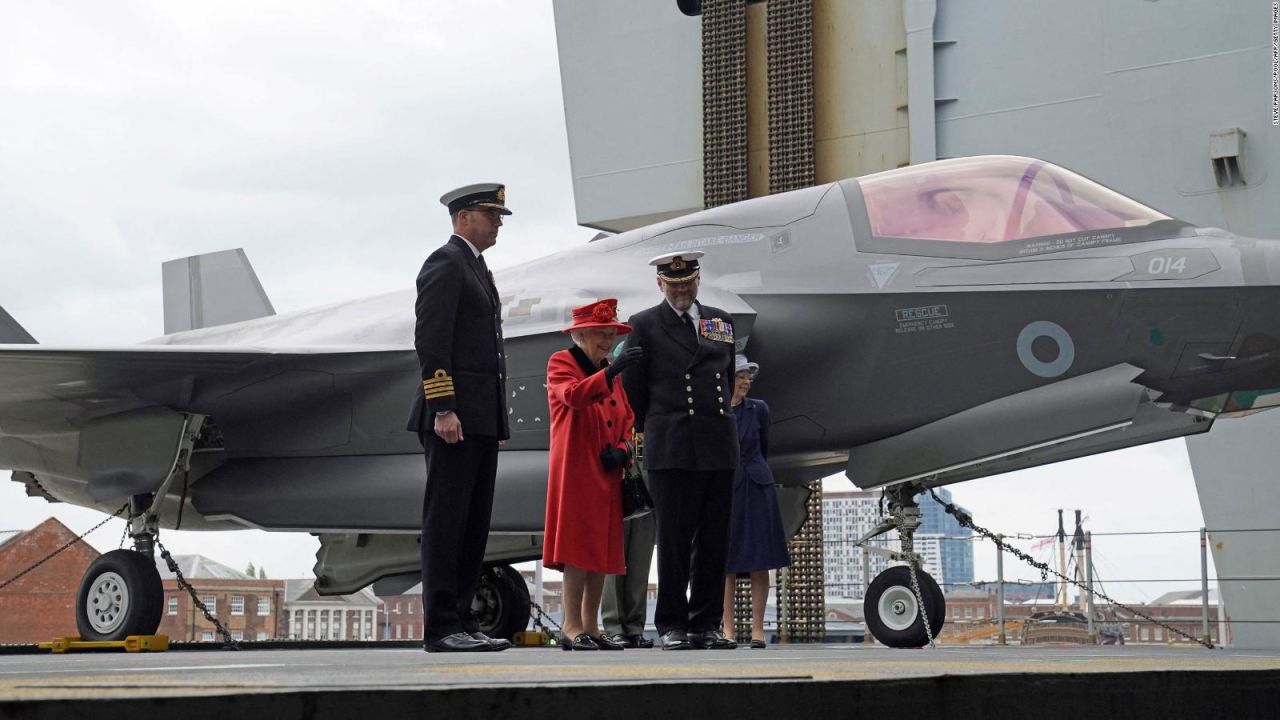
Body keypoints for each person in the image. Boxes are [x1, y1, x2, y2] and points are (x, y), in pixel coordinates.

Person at [407, 183, 513, 653]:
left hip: (479, 420)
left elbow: (488, 352)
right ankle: (441, 627)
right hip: (454, 417)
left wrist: (496, 424)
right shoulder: (445, 263)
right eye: (491, 215)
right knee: (447, 522)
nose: (498, 224)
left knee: (473, 524)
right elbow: (432, 341)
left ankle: (463, 619)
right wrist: (443, 408)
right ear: (464, 216)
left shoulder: (477, 267)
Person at [622, 250, 739, 651]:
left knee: (714, 539)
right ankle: (672, 624)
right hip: (672, 444)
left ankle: (705, 624)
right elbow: (634, 389)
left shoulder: (720, 322)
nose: (681, 290)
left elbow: (723, 376)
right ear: (660, 285)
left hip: (718, 443)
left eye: (687, 282)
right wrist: (654, 427)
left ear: (698, 280)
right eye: (673, 284)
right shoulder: (644, 325)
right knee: (673, 539)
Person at [542, 298, 643, 651]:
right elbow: (572, 396)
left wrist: (624, 449)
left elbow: (628, 418)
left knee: (600, 551)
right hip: (576, 469)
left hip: (607, 470)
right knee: (577, 549)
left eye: (611, 334)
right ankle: (571, 627)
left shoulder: (608, 368)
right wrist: (610, 373)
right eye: (601, 334)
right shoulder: (562, 362)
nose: (607, 341)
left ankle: (591, 626)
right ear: (581, 334)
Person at [721, 355, 790, 649]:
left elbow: (764, 446)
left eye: (748, 376)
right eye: (740, 376)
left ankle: (758, 630)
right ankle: (727, 628)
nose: (746, 381)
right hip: (728, 487)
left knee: (761, 559)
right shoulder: (718, 410)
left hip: (757, 484)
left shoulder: (759, 409)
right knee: (727, 563)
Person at [601, 509, 656, 649]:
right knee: (613, 561)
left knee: (640, 559)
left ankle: (635, 628)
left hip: (646, 490)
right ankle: (615, 627)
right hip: (612, 490)